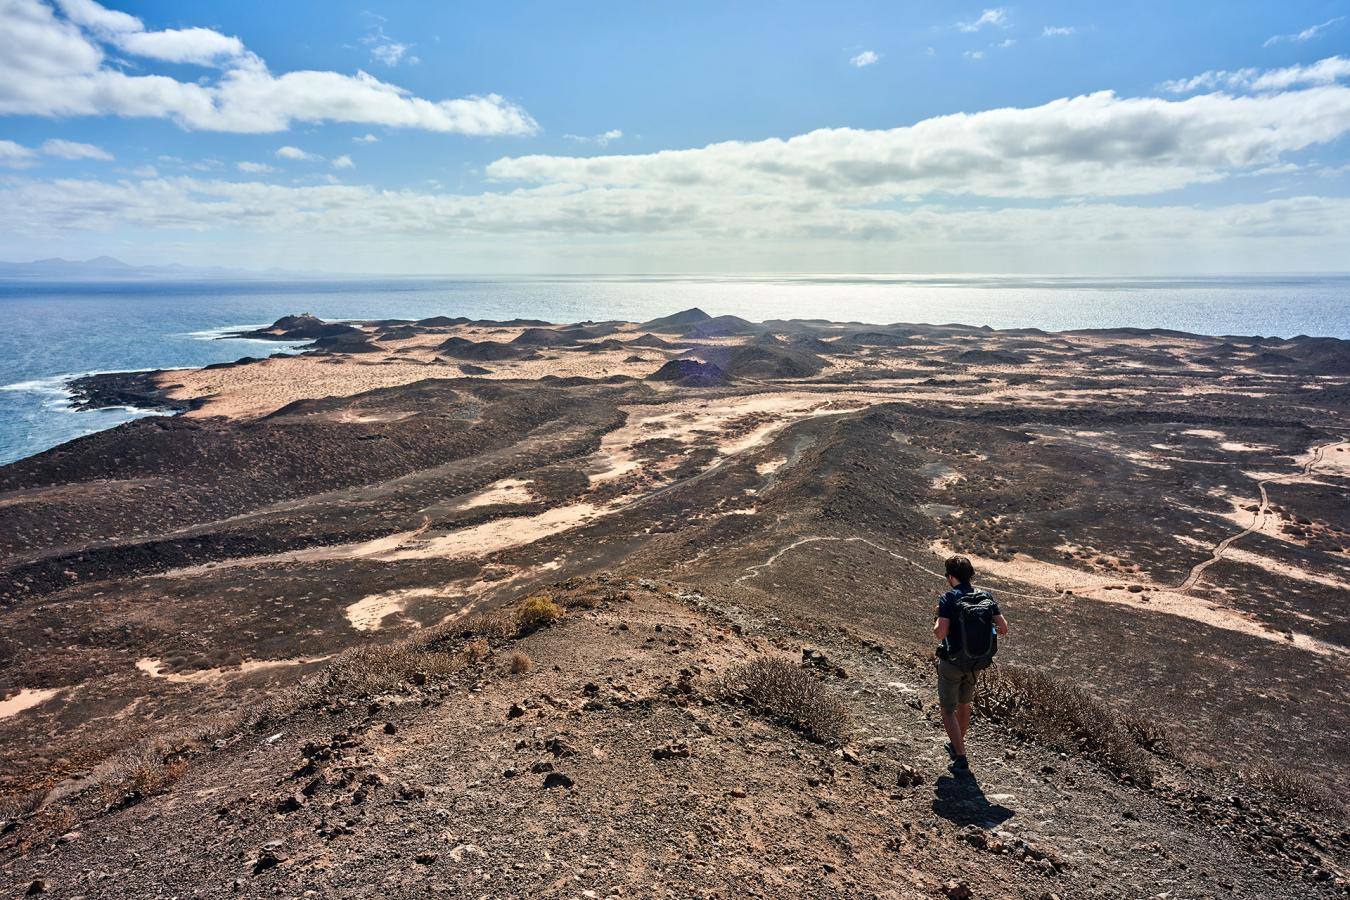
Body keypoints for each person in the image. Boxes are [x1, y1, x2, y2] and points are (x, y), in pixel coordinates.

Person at [933, 555, 1008, 772]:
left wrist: (936, 624)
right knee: (964, 704)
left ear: (950, 576)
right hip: (976, 663)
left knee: (948, 710)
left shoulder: (948, 599)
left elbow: (941, 633)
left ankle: (961, 756)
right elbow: (1003, 627)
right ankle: (958, 745)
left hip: (952, 662)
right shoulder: (986, 596)